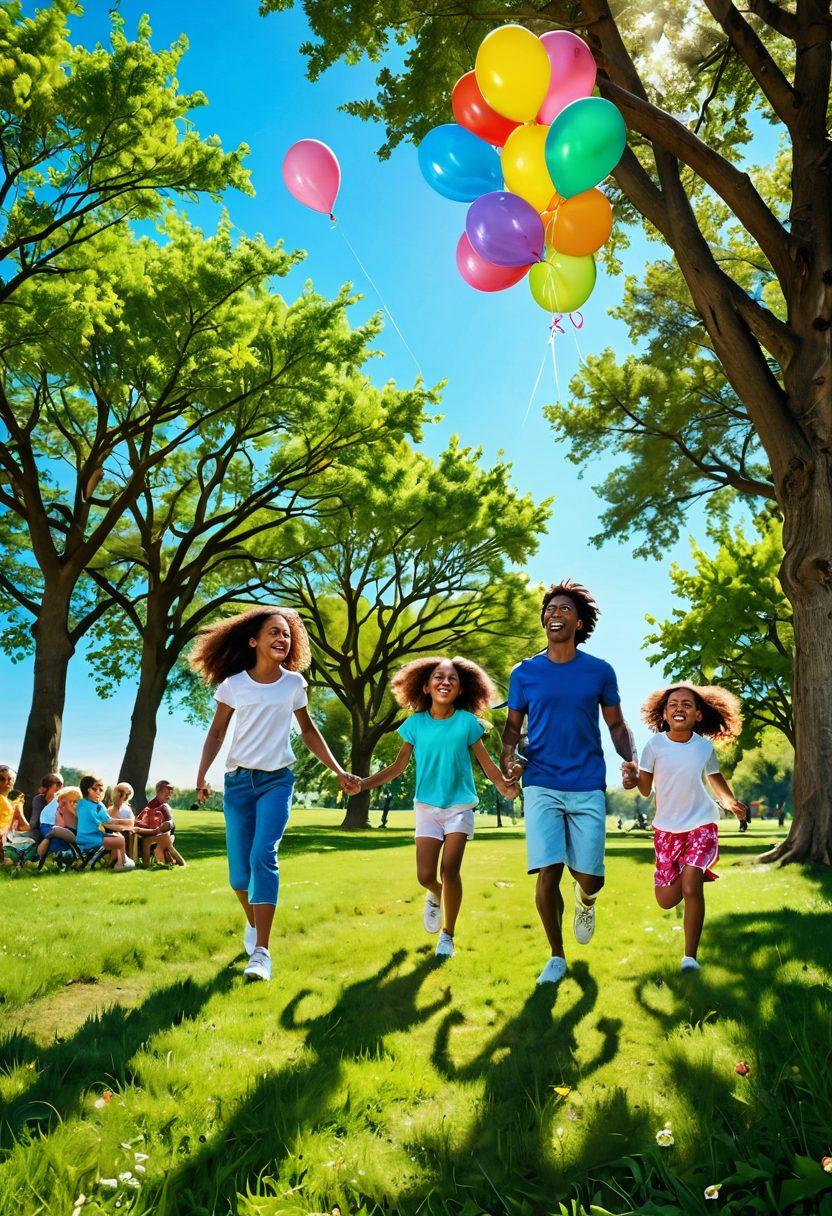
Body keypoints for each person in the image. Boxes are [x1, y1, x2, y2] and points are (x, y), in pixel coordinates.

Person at [191, 605, 361, 984]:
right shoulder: (234, 685)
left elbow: (309, 731)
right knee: (239, 875)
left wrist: (338, 771)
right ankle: (254, 923)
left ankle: (262, 952)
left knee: (262, 854)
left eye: (286, 633)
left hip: (277, 781)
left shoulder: (293, 684)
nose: (282, 638)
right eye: (274, 632)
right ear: (254, 641)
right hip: (238, 783)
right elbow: (217, 732)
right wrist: (202, 775)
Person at [500, 580, 637, 987]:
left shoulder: (599, 671)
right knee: (549, 869)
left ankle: (585, 900)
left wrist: (630, 760)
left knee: (591, 877)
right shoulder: (524, 673)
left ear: (578, 622)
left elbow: (616, 725)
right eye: (550, 609)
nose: (554, 614)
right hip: (541, 780)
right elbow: (512, 729)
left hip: (587, 782)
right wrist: (509, 758)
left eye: (564, 609)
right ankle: (556, 955)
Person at [359, 656, 519, 960]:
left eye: (452, 679)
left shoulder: (467, 723)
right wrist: (363, 784)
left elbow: (487, 764)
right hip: (426, 808)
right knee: (425, 876)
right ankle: (434, 893)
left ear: (460, 690)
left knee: (450, 870)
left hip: (460, 806)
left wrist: (505, 786)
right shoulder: (415, 724)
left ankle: (448, 935)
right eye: (438, 677)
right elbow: (397, 767)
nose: (445, 682)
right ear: (425, 686)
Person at [624, 684, 747, 971]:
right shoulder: (654, 746)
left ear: (698, 715)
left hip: (702, 823)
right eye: (673, 704)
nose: (680, 707)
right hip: (667, 829)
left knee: (691, 886)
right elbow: (645, 789)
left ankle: (689, 958)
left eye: (687, 704)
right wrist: (632, 778)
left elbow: (715, 778)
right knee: (666, 900)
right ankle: (692, 869)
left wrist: (730, 802)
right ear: (665, 714)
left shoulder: (703, 747)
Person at [75, 774, 135, 870]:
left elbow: (108, 820)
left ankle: (112, 863)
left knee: (118, 836)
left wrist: (125, 824)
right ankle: (121, 864)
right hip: (88, 837)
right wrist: (120, 827)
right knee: (120, 840)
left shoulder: (99, 805)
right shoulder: (84, 804)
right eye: (94, 789)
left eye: (101, 790)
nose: (98, 792)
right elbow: (103, 824)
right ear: (87, 789)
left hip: (96, 834)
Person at [134, 780, 184, 867]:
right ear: (158, 791)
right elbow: (139, 819)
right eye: (166, 793)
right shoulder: (150, 805)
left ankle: (146, 864)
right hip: (153, 833)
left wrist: (167, 825)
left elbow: (170, 822)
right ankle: (146, 863)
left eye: (170, 794)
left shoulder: (164, 807)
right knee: (146, 840)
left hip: (162, 834)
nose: (169, 796)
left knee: (148, 841)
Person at [37, 785, 82, 863]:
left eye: (63, 803)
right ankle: (53, 855)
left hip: (67, 828)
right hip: (49, 824)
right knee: (56, 839)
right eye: (59, 802)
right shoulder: (59, 811)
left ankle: (64, 855)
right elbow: (60, 826)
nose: (59, 806)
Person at [0, 765, 28, 862]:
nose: (6, 781)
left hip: (9, 834)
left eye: (10, 779)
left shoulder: (16, 799)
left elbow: (22, 822)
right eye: (2, 779)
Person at [26, 772, 63, 842]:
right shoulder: (38, 799)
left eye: (60, 784)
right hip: (39, 832)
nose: (60, 788)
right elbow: (34, 822)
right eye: (58, 785)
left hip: (56, 831)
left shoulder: (62, 801)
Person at [108, 781, 136, 859]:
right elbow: (108, 822)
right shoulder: (110, 809)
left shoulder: (127, 809)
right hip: (113, 833)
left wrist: (116, 821)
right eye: (121, 792)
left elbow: (131, 822)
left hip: (126, 833)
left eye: (127, 794)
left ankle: (126, 857)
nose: (124, 796)